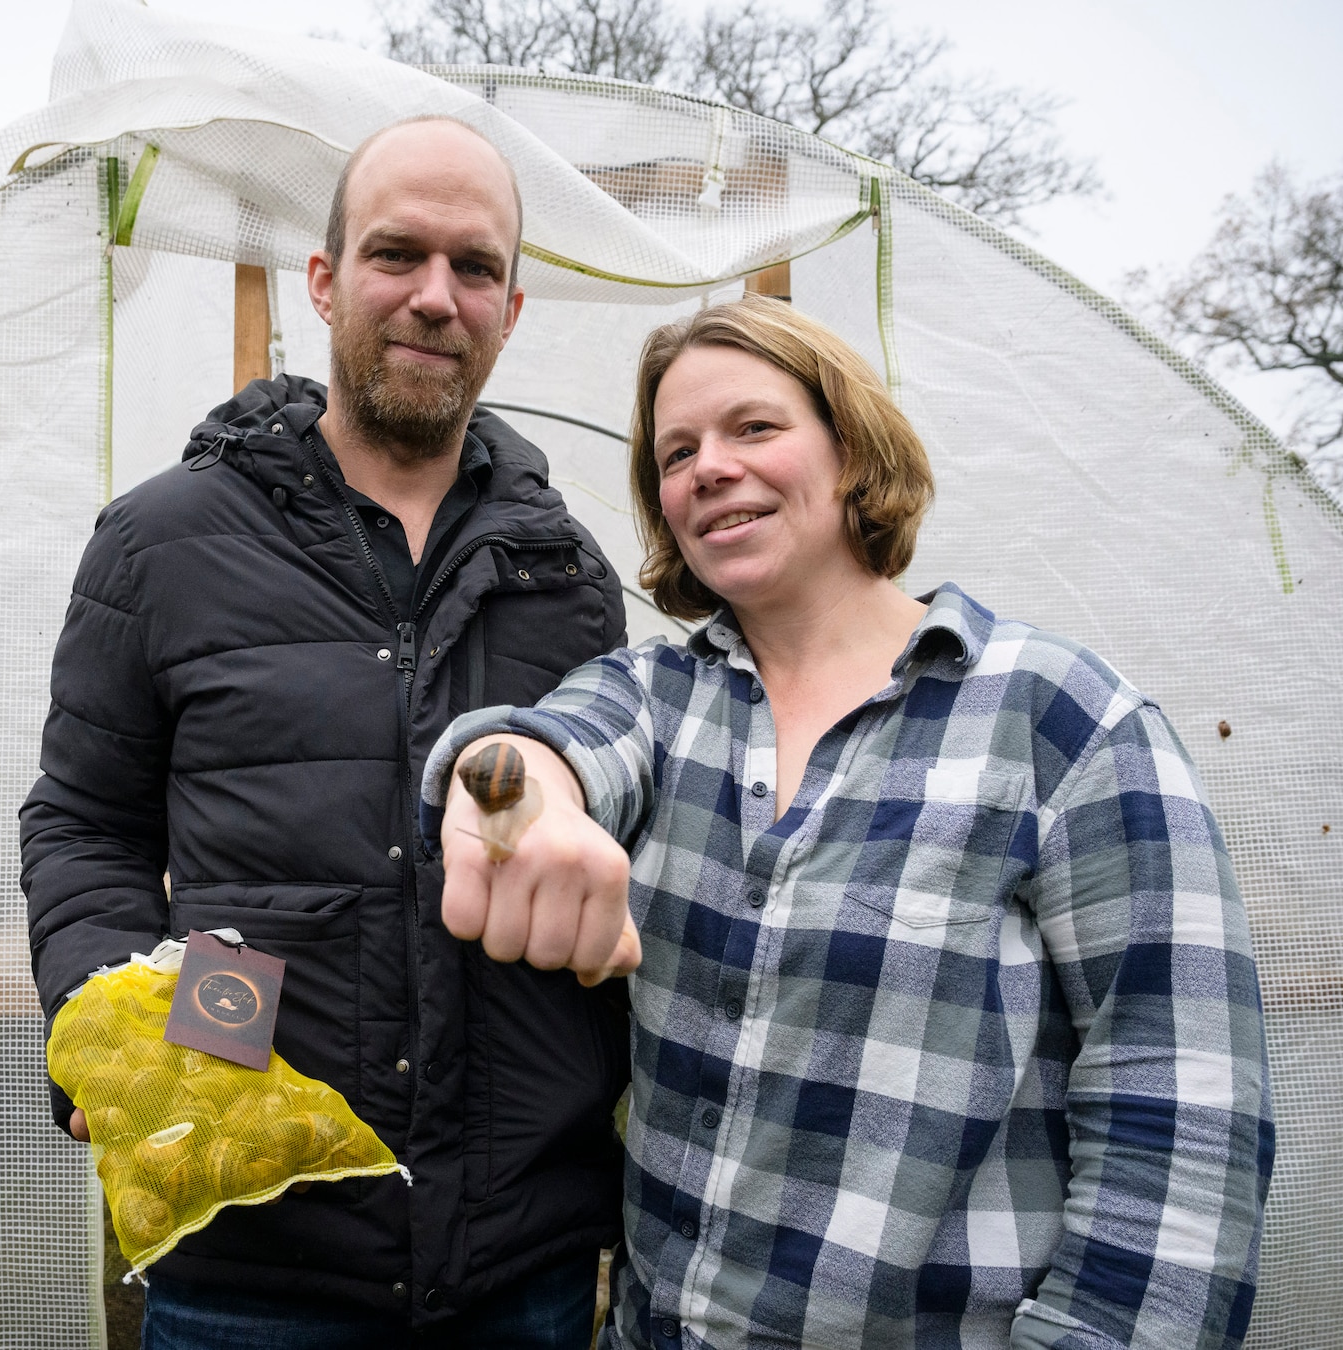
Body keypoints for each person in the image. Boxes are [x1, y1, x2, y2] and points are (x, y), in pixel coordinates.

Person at [424, 295, 1273, 1349]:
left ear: (853, 446)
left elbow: (1181, 1118)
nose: (707, 468)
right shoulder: (656, 697)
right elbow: (547, 743)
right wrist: (516, 788)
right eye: (676, 451)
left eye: (754, 428)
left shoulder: (1060, 721)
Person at [20, 115, 631, 1348]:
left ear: (513, 309)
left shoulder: (565, 574)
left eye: (474, 268)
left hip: (525, 1262)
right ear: (324, 280)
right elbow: (85, 818)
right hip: (257, 1255)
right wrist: (110, 1012)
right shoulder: (164, 542)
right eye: (395, 254)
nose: (433, 297)